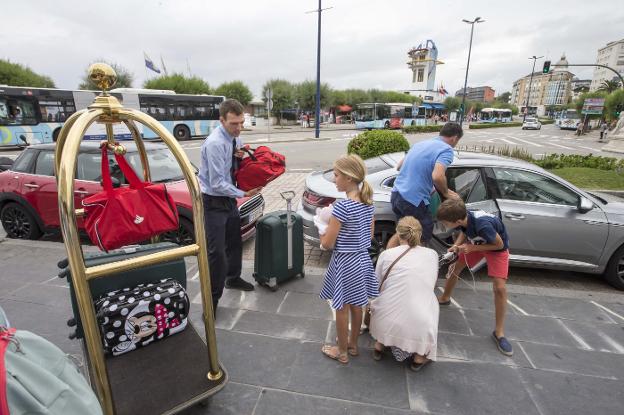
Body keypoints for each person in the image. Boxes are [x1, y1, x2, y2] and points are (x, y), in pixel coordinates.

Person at [199, 99, 262, 314]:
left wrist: (239, 155)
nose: (239, 128)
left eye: (241, 122)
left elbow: (234, 161)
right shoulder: (215, 143)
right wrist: (244, 193)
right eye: (234, 124)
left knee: (235, 242)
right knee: (216, 253)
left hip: (228, 200)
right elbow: (216, 183)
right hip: (213, 202)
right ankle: (212, 301)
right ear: (221, 120)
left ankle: (233, 279)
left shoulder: (234, 137)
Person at [319, 154, 378, 364]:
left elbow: (327, 243)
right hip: (362, 260)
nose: (334, 179)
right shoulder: (368, 202)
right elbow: (370, 235)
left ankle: (341, 351)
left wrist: (321, 230)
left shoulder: (343, 207)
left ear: (349, 179)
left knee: (341, 308)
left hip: (345, 262)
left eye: (336, 175)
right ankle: (352, 344)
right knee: (357, 305)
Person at [436, 199, 513, 356]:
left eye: (445, 223)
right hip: (476, 245)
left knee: (500, 288)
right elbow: (464, 232)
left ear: (456, 220)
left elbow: (498, 245)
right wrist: (457, 246)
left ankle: (499, 332)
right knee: (455, 267)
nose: (444, 225)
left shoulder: (483, 224)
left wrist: (471, 247)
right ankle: (445, 297)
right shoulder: (465, 217)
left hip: (496, 249)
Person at [369, 216, 439, 372]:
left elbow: (376, 285)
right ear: (419, 234)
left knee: (389, 300)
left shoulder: (386, 255)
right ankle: (419, 358)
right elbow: (431, 285)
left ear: (397, 234)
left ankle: (380, 344)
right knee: (431, 300)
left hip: (384, 319)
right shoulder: (432, 255)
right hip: (419, 323)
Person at [387, 122, 462, 248]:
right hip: (414, 200)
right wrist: (446, 193)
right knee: (422, 235)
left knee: (403, 232)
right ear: (454, 138)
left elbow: (399, 167)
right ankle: (416, 266)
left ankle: (388, 260)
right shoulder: (446, 149)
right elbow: (437, 176)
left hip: (397, 194)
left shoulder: (420, 144)